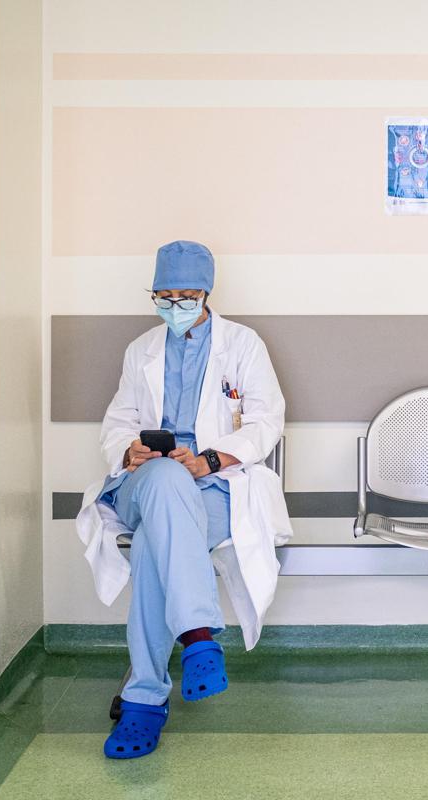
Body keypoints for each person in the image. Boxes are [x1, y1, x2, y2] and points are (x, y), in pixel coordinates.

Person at [74, 240, 291, 759]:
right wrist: (128, 449)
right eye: (165, 297)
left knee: (155, 545)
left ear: (206, 293)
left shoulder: (243, 345)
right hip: (145, 482)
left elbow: (267, 421)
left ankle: (145, 699)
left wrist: (211, 459)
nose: (175, 306)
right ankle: (197, 636)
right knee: (165, 480)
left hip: (214, 484)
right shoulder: (141, 350)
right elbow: (119, 420)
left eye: (186, 297)